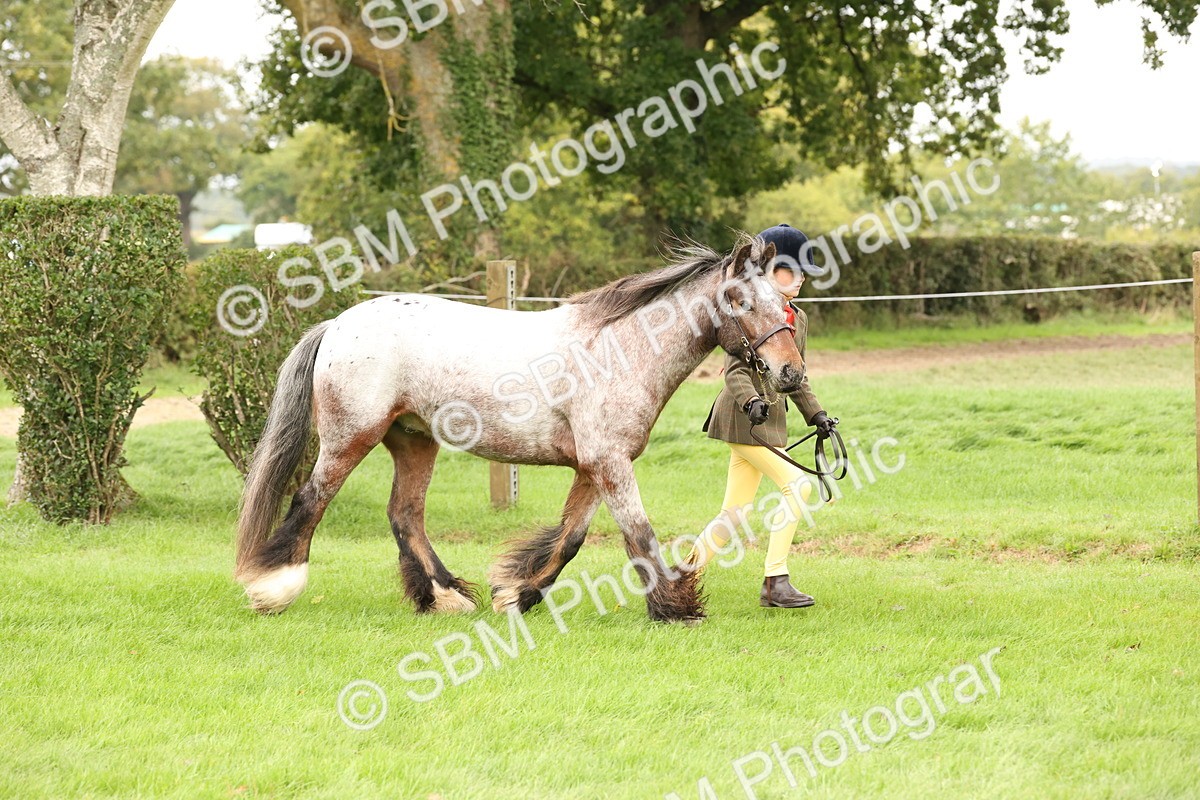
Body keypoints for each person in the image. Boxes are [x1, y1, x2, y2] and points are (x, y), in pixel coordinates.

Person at [688, 224, 838, 609]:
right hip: (743, 419)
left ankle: (683, 575)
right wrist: (751, 400)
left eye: (805, 272)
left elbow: (796, 375)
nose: (802, 278)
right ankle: (776, 580)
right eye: (794, 270)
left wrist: (817, 415)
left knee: (736, 511)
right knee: (798, 486)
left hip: (768, 422)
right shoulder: (750, 310)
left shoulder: (797, 317)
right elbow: (736, 369)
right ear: (770, 272)